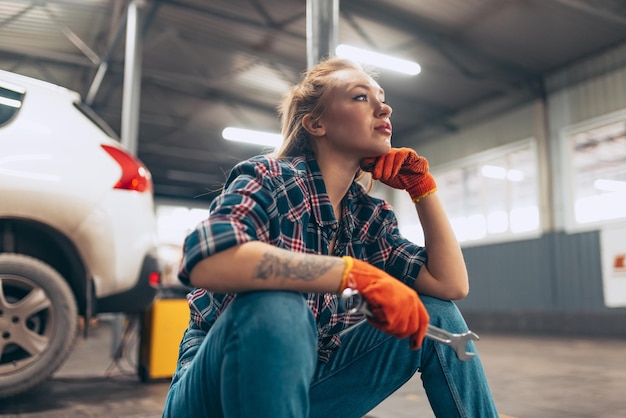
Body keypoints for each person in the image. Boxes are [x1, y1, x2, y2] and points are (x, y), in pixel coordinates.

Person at [162, 57, 499, 418]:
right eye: (360, 97)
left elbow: (450, 285)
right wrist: (351, 274)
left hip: (305, 390)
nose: (384, 107)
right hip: (217, 396)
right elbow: (206, 259)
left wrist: (423, 190)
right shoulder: (270, 178)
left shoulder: (366, 216)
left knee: (435, 314)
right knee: (279, 305)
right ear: (316, 124)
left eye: (381, 97)